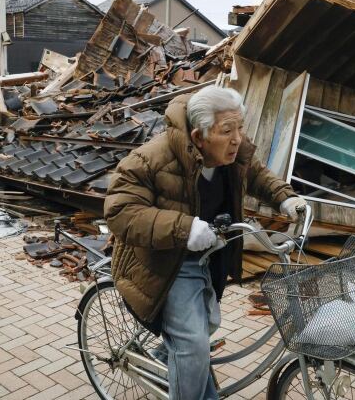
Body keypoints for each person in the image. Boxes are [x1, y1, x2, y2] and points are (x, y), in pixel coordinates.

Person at [104, 86, 306, 400]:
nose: (237, 138)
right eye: (227, 130)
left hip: (209, 253)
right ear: (199, 138)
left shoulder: (231, 150)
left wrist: (285, 199)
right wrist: (185, 228)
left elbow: (255, 174)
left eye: (240, 127)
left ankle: (168, 358)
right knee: (194, 346)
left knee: (208, 322)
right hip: (168, 262)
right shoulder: (150, 158)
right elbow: (119, 210)